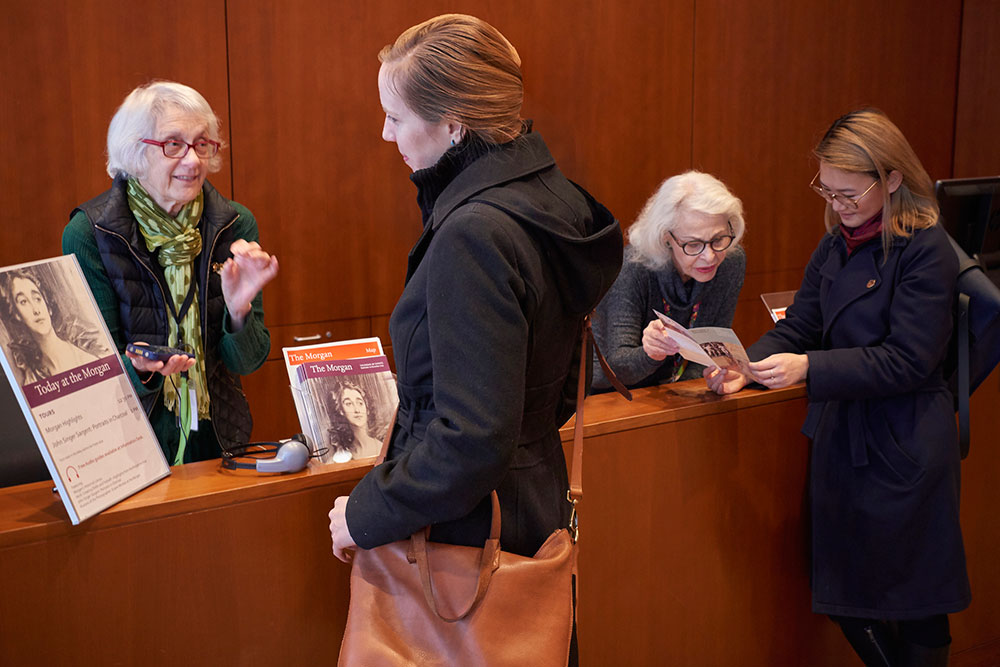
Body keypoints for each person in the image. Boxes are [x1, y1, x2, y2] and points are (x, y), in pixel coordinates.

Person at [327, 13, 623, 661]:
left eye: (396, 117)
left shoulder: (476, 231)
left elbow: (470, 438)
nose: (385, 133)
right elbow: (555, 388)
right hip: (532, 500)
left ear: (454, 123)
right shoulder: (556, 199)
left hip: (465, 534)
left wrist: (366, 509)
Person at [706, 109, 967, 666]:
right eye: (827, 190)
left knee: (916, 602)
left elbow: (909, 360)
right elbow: (801, 324)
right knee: (844, 593)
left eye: (848, 193)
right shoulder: (837, 244)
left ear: (893, 179)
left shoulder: (926, 250)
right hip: (845, 443)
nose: (836, 204)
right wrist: (743, 365)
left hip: (904, 447)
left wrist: (811, 369)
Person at [62, 81, 279, 465]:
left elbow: (246, 363)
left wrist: (239, 309)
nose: (194, 161)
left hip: (218, 436)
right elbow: (93, 371)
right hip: (130, 442)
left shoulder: (234, 224)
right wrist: (141, 369)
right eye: (173, 145)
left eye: (201, 144)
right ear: (135, 152)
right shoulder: (90, 233)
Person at [591, 171, 746, 390]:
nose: (710, 256)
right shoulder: (633, 268)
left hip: (680, 390)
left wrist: (714, 374)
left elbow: (713, 341)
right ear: (666, 238)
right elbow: (618, 367)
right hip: (613, 393)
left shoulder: (730, 261)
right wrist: (651, 353)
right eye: (693, 244)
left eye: (718, 239)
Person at [0, 268, 107, 384]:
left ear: (48, 306)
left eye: (37, 299)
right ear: (16, 314)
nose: (36, 310)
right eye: (23, 302)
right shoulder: (32, 381)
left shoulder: (86, 355)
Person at [326, 380, 383, 463]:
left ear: (367, 408)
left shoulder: (381, 448)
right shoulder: (338, 457)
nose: (357, 410)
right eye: (349, 404)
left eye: (360, 403)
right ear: (341, 410)